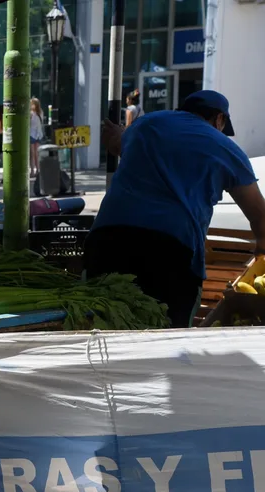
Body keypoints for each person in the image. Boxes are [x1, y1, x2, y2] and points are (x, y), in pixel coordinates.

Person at [85, 90, 265, 328]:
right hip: (169, 251)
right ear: (219, 119)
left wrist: (118, 134)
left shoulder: (147, 124)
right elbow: (260, 217)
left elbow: (115, 144)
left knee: (96, 326)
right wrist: (260, 250)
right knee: (168, 336)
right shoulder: (225, 147)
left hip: (107, 239)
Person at [29, 98, 44, 178]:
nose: (31, 105)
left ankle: (33, 171)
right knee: (36, 154)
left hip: (32, 134)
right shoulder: (41, 112)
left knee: (33, 154)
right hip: (39, 134)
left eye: (32, 103)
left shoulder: (31, 113)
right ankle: (37, 170)